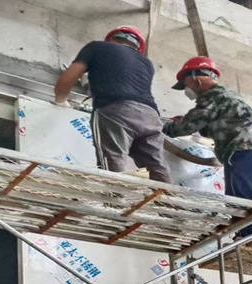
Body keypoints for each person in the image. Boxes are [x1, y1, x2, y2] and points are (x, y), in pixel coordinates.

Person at [162, 57, 252, 237]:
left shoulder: (213, 97)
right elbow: (214, 126)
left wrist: (166, 128)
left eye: (186, 83)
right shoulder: (229, 97)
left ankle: (246, 241)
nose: (187, 90)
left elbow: (189, 125)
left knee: (239, 202)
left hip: (240, 152)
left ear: (196, 78)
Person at [54, 26, 172, 183]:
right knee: (157, 165)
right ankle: (166, 197)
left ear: (111, 39)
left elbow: (67, 79)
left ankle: (115, 198)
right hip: (151, 116)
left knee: (113, 162)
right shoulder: (147, 64)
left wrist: (60, 100)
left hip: (116, 112)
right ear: (138, 47)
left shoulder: (97, 47)